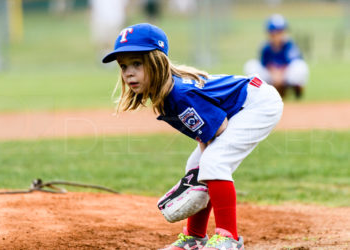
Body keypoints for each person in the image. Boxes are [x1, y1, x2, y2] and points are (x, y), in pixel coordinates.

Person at [102, 23, 283, 250]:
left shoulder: (179, 94)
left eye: (137, 63)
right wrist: (200, 175)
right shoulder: (167, 93)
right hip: (240, 106)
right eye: (124, 66)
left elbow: (219, 128)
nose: (129, 72)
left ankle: (229, 238)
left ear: (157, 62)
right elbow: (205, 131)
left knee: (213, 162)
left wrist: (204, 176)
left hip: (258, 104)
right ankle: (195, 238)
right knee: (196, 164)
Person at [244, 14, 309, 99]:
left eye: (280, 32)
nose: (277, 35)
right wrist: (274, 74)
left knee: (299, 66)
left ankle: (296, 91)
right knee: (251, 65)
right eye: (274, 32)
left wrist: (280, 75)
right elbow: (264, 64)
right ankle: (258, 95)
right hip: (272, 77)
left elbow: (293, 62)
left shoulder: (290, 45)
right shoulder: (265, 47)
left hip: (286, 76)